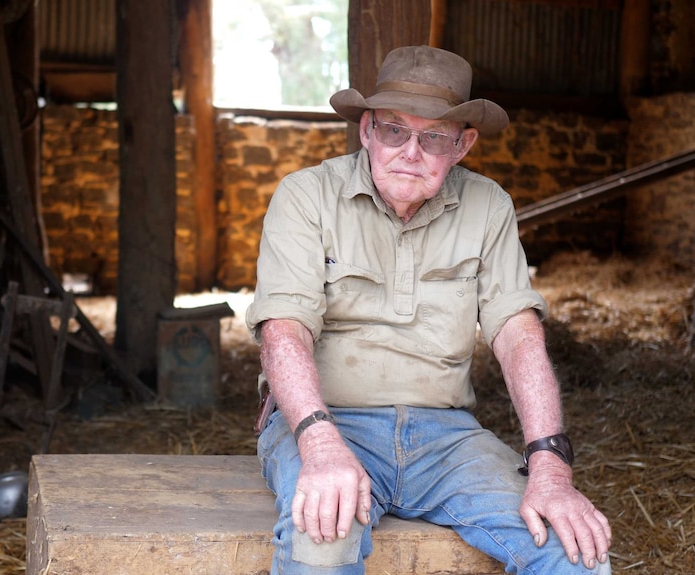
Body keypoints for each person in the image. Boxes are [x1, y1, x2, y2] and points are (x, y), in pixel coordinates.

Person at [245, 45, 612, 574]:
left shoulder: (488, 206)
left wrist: (550, 465)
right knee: (322, 541)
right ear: (367, 129)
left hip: (447, 438)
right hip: (324, 422)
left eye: (434, 136)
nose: (410, 152)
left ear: (462, 146)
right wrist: (321, 445)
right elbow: (284, 330)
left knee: (574, 551)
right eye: (395, 130)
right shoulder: (306, 197)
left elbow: (518, 334)